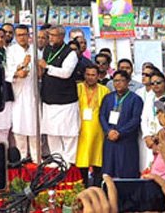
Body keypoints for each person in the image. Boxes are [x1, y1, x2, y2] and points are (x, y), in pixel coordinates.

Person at [39, 25, 80, 166]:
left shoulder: (70, 53)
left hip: (66, 100)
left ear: (62, 36)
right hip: (49, 99)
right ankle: (56, 159)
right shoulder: (47, 49)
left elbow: (66, 73)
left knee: (68, 133)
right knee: (51, 132)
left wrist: (47, 67)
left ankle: (69, 160)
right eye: (49, 35)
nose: (50, 38)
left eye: (53, 35)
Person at [99, 70, 144, 178]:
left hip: (126, 141)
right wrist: (108, 131)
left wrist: (120, 132)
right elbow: (102, 116)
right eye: (115, 81)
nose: (118, 83)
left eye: (121, 80)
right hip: (110, 140)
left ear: (128, 81)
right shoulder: (108, 98)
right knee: (108, 172)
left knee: (126, 171)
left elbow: (135, 120)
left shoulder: (135, 99)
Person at [7, 24, 39, 161]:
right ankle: (22, 156)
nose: (22, 38)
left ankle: (36, 158)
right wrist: (19, 69)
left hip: (33, 93)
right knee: (19, 126)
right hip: (18, 93)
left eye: (24, 34)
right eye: (19, 35)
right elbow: (8, 70)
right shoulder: (11, 50)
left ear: (28, 35)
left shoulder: (35, 50)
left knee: (34, 126)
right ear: (15, 36)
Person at [76, 64, 109, 186]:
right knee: (82, 163)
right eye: (88, 75)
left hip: (98, 132)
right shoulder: (78, 88)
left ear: (98, 76)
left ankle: (97, 190)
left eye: (93, 75)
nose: (90, 78)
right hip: (81, 131)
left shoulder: (104, 90)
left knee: (97, 163)